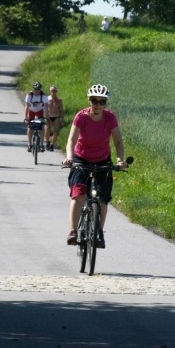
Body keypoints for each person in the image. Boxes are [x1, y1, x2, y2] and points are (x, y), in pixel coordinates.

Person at [62, 84, 126, 248]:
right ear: (89, 101)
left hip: (102, 160)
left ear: (105, 103)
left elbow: (118, 142)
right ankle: (73, 231)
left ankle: (98, 233)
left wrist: (120, 160)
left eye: (101, 101)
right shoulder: (81, 117)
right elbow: (71, 140)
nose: (97, 105)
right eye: (94, 101)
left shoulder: (110, 117)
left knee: (102, 200)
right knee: (78, 194)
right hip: (81, 159)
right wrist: (69, 157)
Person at [23, 81, 48, 152]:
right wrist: (25, 118)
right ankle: (29, 144)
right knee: (30, 127)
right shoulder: (29, 96)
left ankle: (41, 144)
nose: (36, 91)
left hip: (40, 111)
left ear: (40, 90)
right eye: (35, 89)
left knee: (42, 126)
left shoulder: (43, 96)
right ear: (33, 89)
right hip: (31, 111)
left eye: (38, 90)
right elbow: (26, 107)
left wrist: (46, 117)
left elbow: (46, 108)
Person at [45, 85, 64, 151]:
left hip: (56, 116)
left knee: (56, 131)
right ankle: (47, 142)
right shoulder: (47, 99)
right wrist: (45, 116)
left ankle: (52, 145)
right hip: (49, 116)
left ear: (56, 92)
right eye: (52, 91)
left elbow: (61, 110)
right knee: (47, 130)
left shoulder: (59, 100)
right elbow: (44, 108)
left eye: (55, 91)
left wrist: (62, 118)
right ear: (50, 91)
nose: (53, 92)